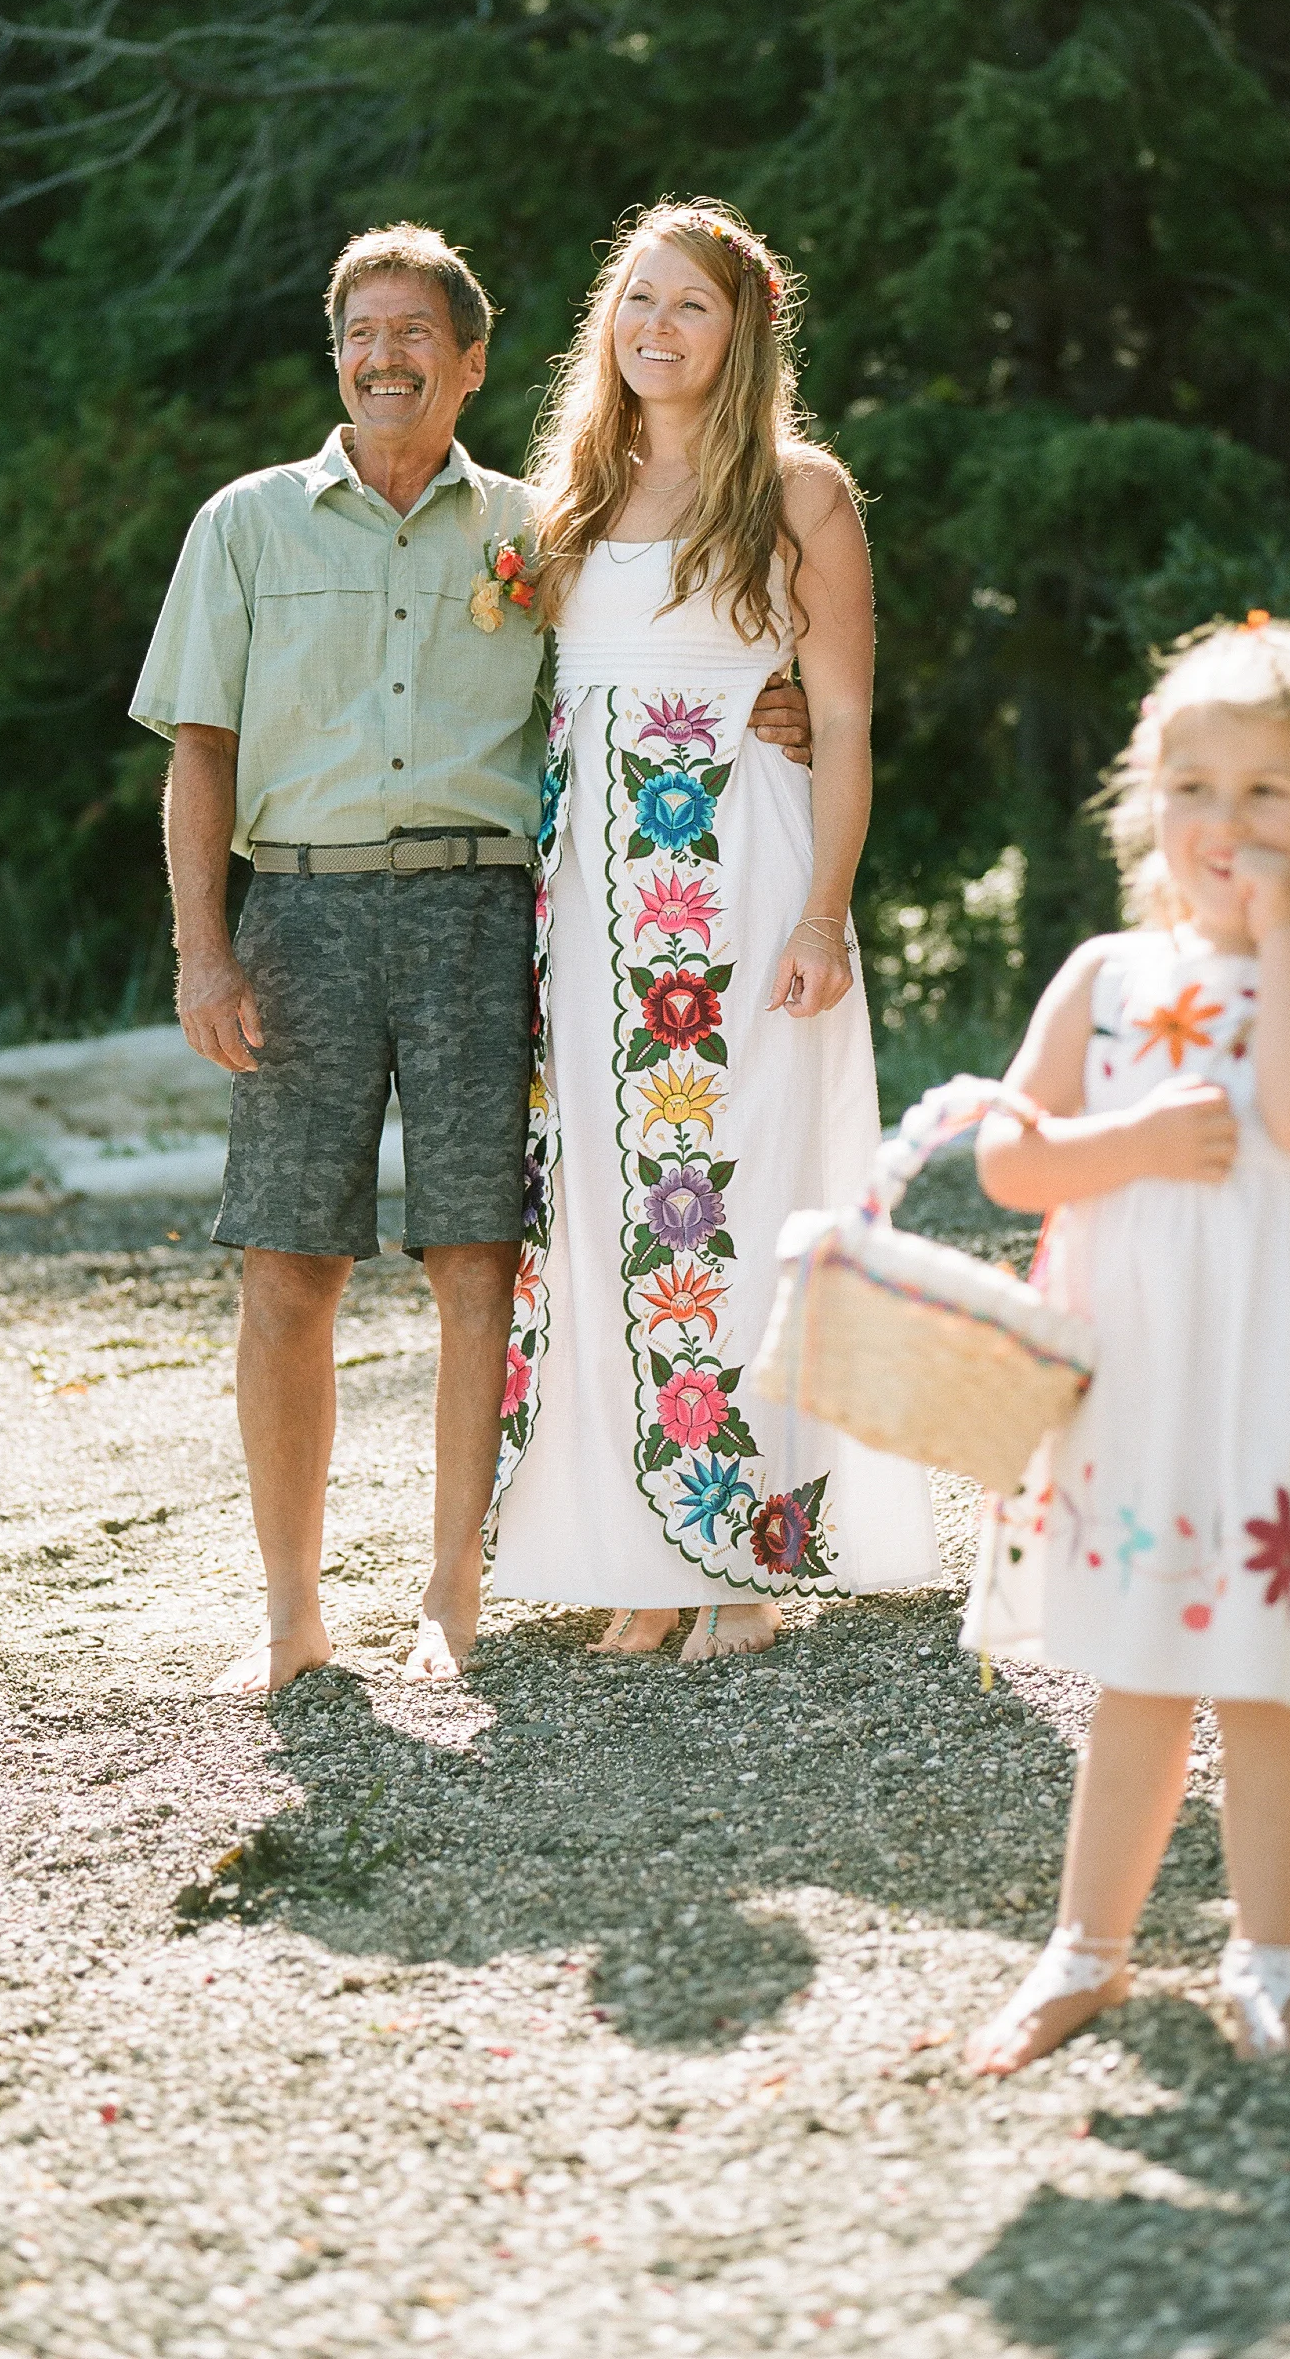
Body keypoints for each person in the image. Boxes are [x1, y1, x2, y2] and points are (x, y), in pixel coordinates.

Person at [130, 223, 809, 1693]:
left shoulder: (541, 525)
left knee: (478, 1260)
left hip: (478, 915)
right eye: (360, 334)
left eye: (414, 335)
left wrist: (779, 706)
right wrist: (203, 956)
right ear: (336, 353)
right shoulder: (245, 523)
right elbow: (198, 749)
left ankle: (455, 1591)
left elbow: (661, 645)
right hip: (297, 920)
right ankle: (292, 1615)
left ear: (472, 359)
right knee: (286, 1268)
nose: (386, 358)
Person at [958, 614, 1290, 2069]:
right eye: (1195, 789)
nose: (1224, 826)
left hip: (1277, 1375)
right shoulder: (1107, 971)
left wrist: (1287, 930)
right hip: (1144, 1370)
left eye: (1267, 794)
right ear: (1149, 798)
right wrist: (1119, 1141)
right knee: (1139, 1672)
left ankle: (1268, 1960)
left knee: (1260, 1677)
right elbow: (1010, 1160)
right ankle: (1086, 1951)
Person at [488, 202, 940, 1658]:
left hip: (736, 884)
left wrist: (825, 912)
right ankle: (639, 1548)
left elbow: (851, 716)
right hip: (591, 904)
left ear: (741, 331)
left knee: (730, 1201)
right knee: (606, 1210)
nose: (656, 329)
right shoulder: (570, 493)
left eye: (689, 306)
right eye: (636, 301)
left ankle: (741, 1551)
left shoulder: (799, 492)